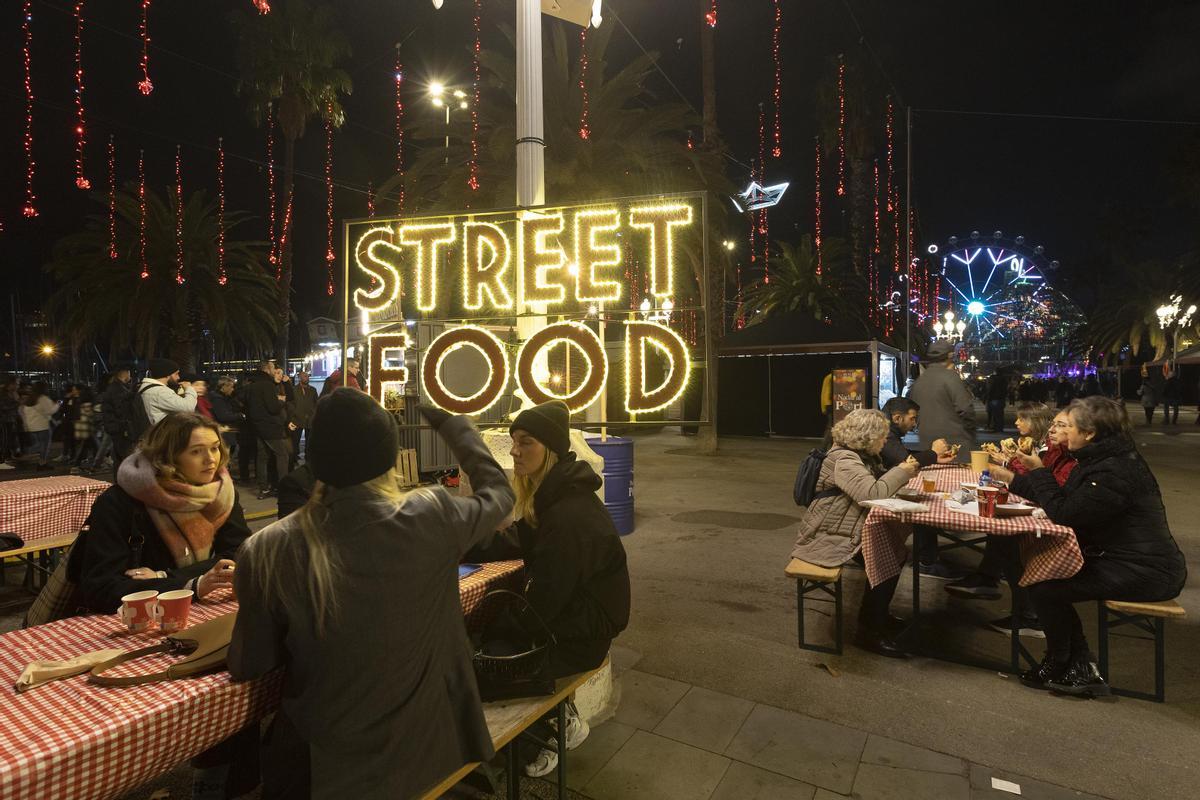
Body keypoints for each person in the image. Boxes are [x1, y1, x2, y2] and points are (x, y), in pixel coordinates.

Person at [228, 390, 514, 799]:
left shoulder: (268, 549)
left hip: (329, 774)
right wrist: (458, 429)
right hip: (434, 750)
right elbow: (500, 496)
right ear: (389, 457)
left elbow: (248, 663)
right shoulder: (432, 514)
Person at [466, 400, 631, 777]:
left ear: (551, 448)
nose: (515, 451)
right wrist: (458, 543)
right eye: (513, 441)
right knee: (484, 639)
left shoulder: (569, 516)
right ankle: (560, 720)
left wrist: (486, 628)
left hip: (580, 640)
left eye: (526, 442)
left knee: (476, 666)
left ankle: (536, 742)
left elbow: (539, 610)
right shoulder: (556, 495)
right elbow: (516, 540)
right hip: (572, 623)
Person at [1011, 397, 1187, 697]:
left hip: (1147, 571)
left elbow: (1064, 512)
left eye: (1069, 426)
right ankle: (1077, 666)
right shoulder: (1101, 459)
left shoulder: (1112, 471)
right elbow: (1064, 499)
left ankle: (1065, 663)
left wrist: (1039, 470)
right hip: (1124, 561)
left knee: (1045, 586)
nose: (1063, 432)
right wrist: (1013, 478)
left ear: (1089, 433)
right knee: (1043, 577)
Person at [790, 408, 920, 658]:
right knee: (885, 557)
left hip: (843, 525)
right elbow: (872, 494)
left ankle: (877, 616)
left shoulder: (861, 457)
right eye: (882, 437)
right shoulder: (845, 459)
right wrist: (903, 471)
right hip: (828, 532)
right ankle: (869, 632)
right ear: (868, 437)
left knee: (894, 553)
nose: (885, 442)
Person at [946, 402, 1056, 636]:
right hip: (1035, 503)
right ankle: (987, 578)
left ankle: (1030, 616)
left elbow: (1036, 482)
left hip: (1045, 514)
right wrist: (1006, 461)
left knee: (1006, 534)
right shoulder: (1033, 446)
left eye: (1021, 419)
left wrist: (1007, 467)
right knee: (999, 527)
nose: (1016, 423)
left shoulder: (1048, 450)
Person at [879, 397, 959, 580]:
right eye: (912, 418)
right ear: (897, 418)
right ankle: (926, 562)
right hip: (877, 490)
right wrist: (932, 453)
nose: (914, 424)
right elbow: (906, 462)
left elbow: (903, 456)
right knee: (922, 503)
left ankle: (927, 558)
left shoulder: (887, 432)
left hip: (881, 484)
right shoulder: (884, 435)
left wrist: (934, 458)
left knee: (922, 498)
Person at [907, 341, 976, 458]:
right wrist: (970, 431)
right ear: (950, 356)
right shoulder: (951, 377)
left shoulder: (919, 382)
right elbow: (965, 408)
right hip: (954, 442)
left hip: (927, 442)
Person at [243, 359, 289, 499]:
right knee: (282, 455)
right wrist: (281, 401)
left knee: (262, 457)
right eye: (273, 368)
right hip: (270, 426)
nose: (275, 370)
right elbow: (273, 407)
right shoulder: (267, 385)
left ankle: (263, 488)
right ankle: (284, 488)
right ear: (267, 369)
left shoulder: (251, 385)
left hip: (257, 426)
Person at [138, 358, 197, 426]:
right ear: (167, 374)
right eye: (176, 374)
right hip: (160, 434)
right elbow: (188, 408)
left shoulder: (146, 387)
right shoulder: (160, 392)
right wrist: (189, 388)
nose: (178, 377)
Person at [101, 366, 135, 478]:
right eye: (129, 374)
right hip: (119, 428)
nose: (130, 377)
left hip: (115, 426)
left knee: (119, 457)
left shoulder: (114, 388)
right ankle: (124, 481)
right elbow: (121, 409)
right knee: (124, 456)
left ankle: (120, 480)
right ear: (125, 374)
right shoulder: (118, 390)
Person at [20, 382, 59, 470]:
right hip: (43, 426)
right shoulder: (42, 398)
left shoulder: (29, 399)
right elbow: (50, 411)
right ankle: (42, 463)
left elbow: (24, 412)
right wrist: (57, 404)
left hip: (31, 427)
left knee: (36, 445)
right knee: (44, 446)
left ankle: (25, 457)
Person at [208, 376, 243, 469]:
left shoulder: (222, 398)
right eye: (231, 387)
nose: (232, 389)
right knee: (224, 457)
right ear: (224, 387)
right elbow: (223, 416)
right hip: (224, 430)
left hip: (225, 430)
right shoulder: (218, 399)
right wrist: (240, 416)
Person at [290, 370, 318, 465]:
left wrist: (314, 413)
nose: (307, 378)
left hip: (309, 419)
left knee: (309, 440)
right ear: (300, 378)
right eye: (305, 376)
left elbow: (316, 403)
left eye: (307, 376)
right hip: (297, 419)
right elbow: (291, 404)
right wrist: (294, 413)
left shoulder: (313, 390)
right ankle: (294, 457)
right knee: (295, 440)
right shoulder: (294, 390)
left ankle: (308, 457)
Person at [0, 376, 21, 469]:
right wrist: (17, 403)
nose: (18, 386)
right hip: (4, 420)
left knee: (7, 440)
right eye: (17, 383)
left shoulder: (12, 393)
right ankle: (1, 462)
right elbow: (3, 407)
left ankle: (5, 458)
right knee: (3, 441)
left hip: (10, 420)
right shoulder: (3, 393)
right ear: (11, 384)